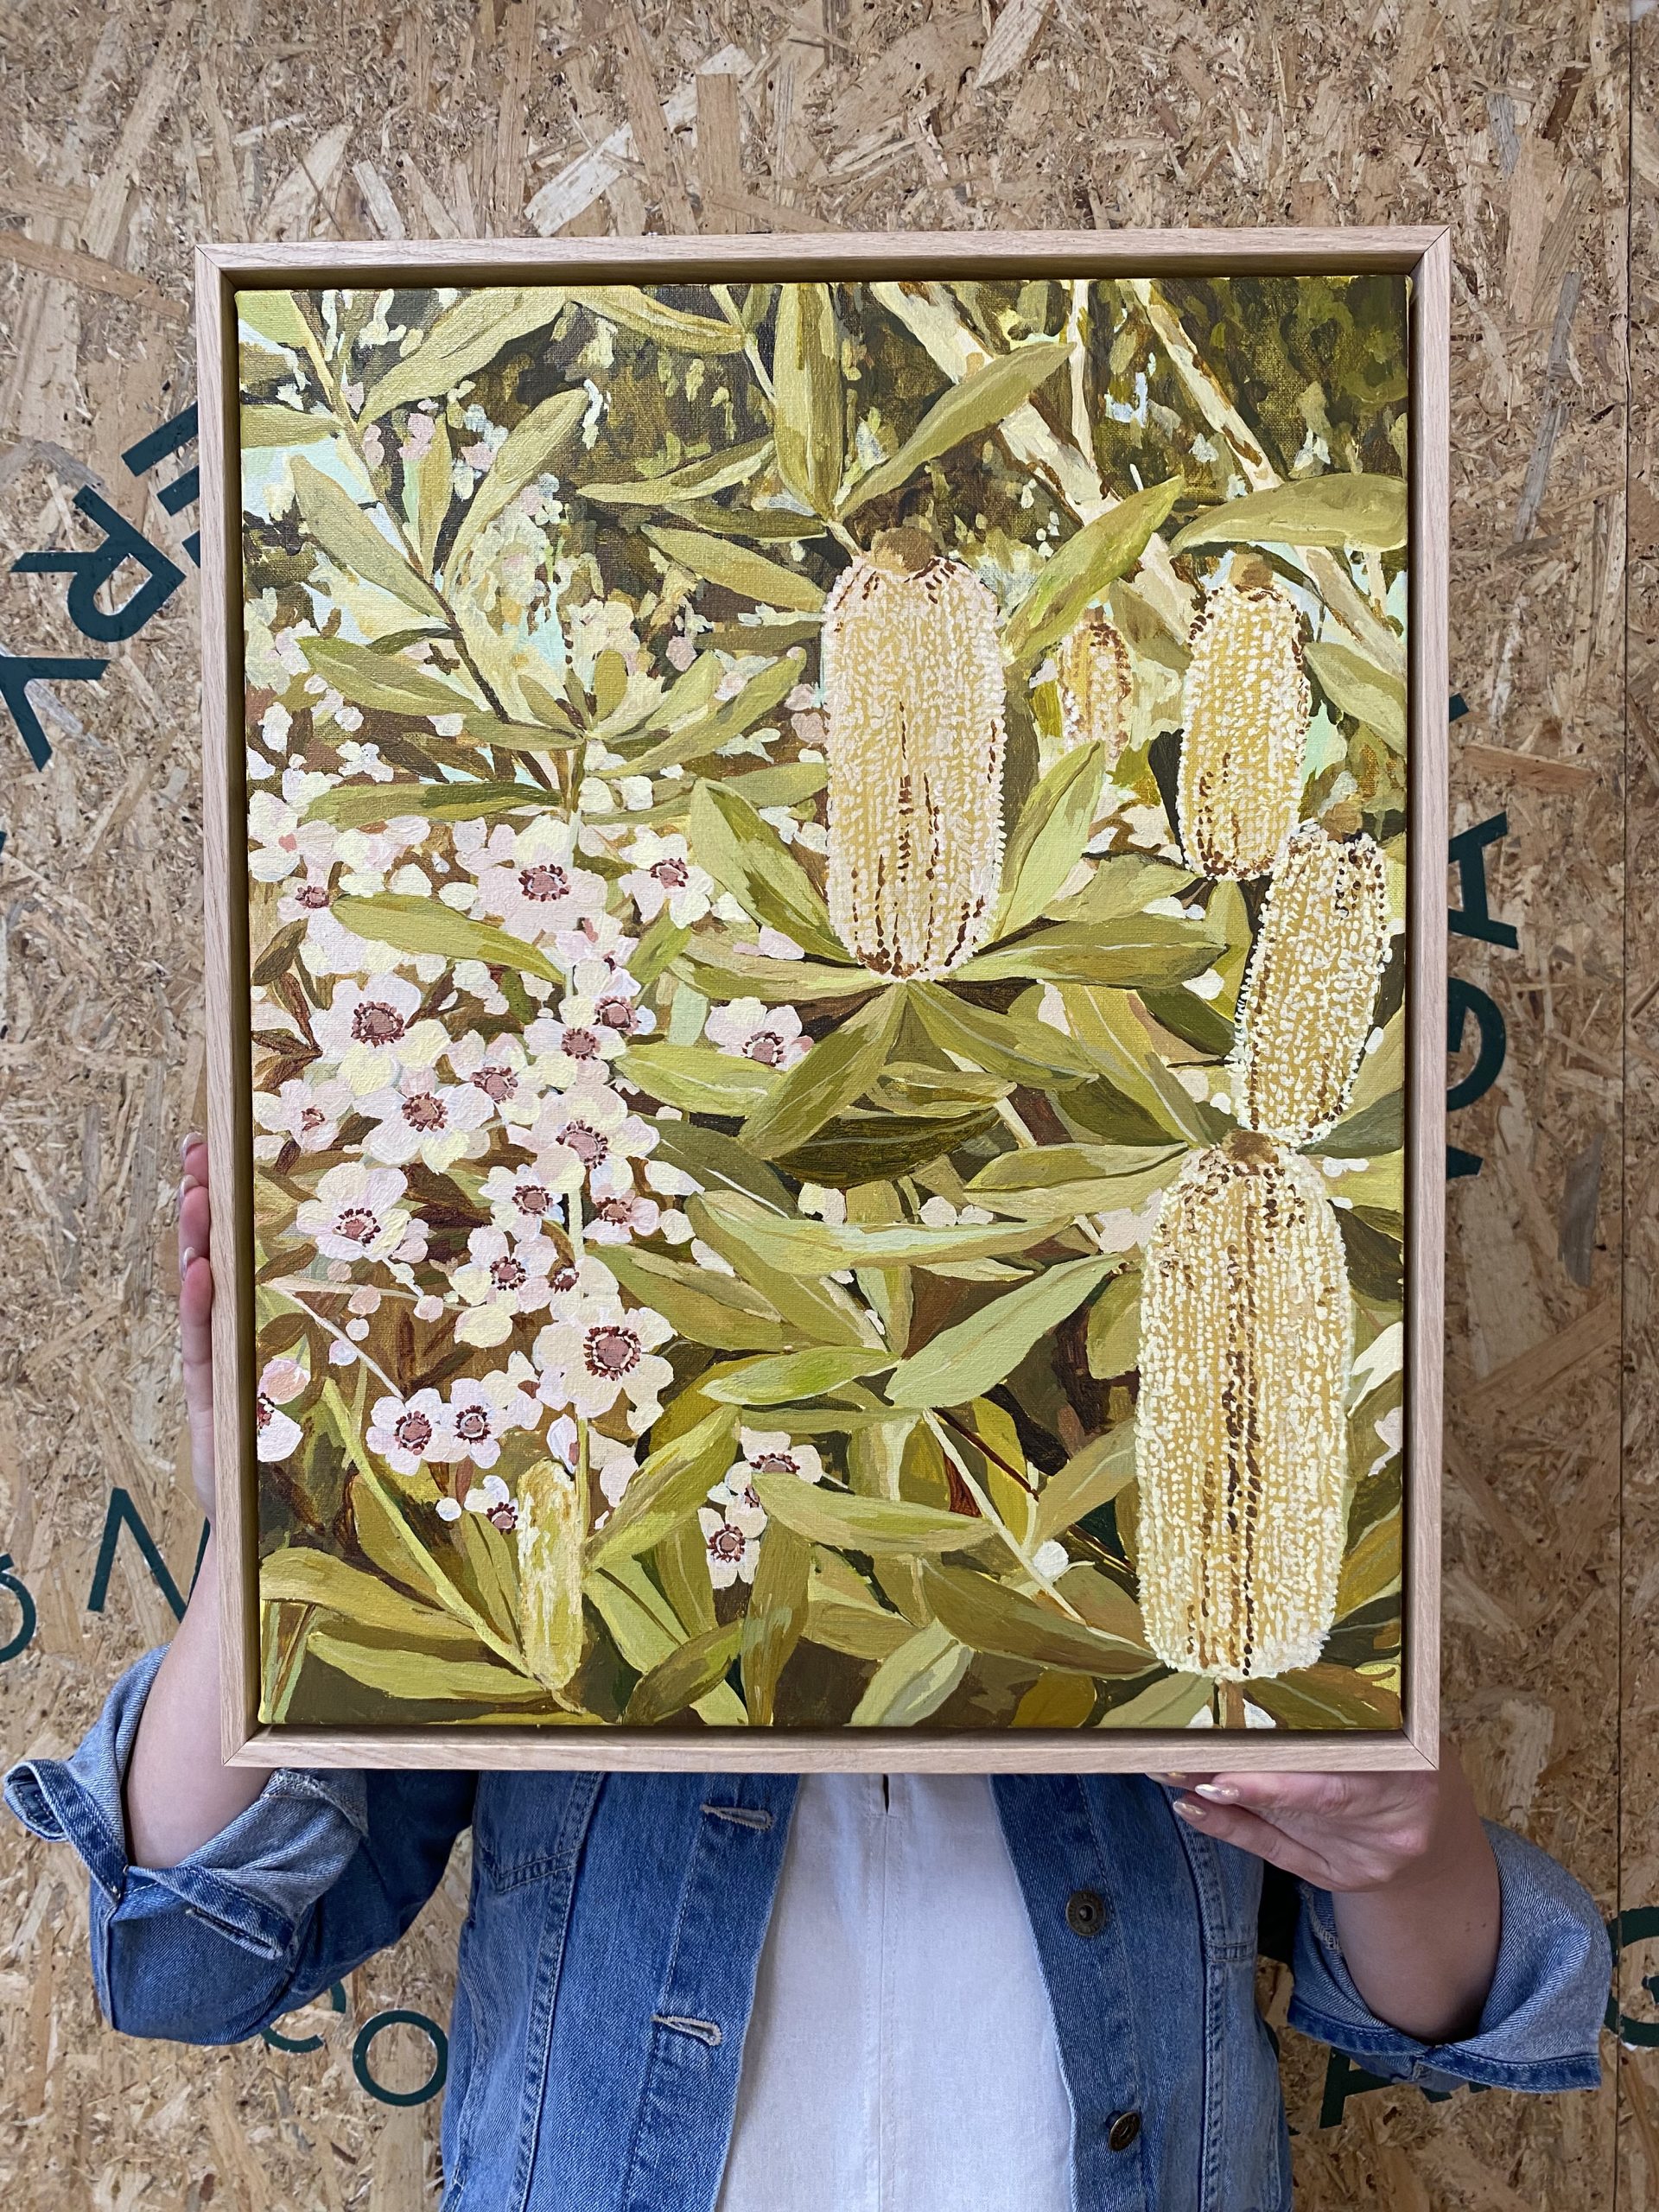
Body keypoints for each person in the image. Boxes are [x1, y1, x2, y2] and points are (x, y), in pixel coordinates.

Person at [4, 1137, 1610, 2212]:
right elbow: (189, 1955)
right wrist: (269, 1537)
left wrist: (1411, 1830)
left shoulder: (1173, 1436)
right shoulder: (545, 1464)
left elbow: (1436, 2007)